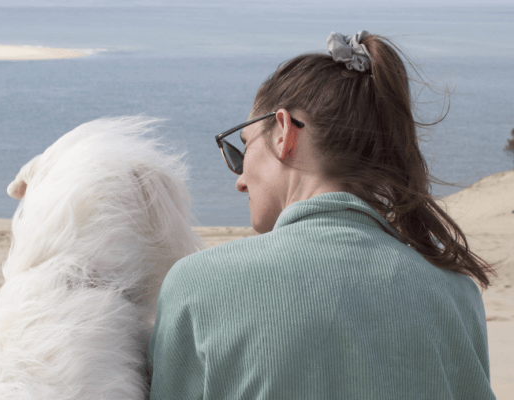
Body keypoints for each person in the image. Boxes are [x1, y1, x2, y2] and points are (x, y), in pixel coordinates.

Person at [148, 31, 496, 399]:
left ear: (283, 132)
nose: (240, 182)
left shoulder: (199, 286)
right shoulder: (457, 296)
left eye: (242, 149)